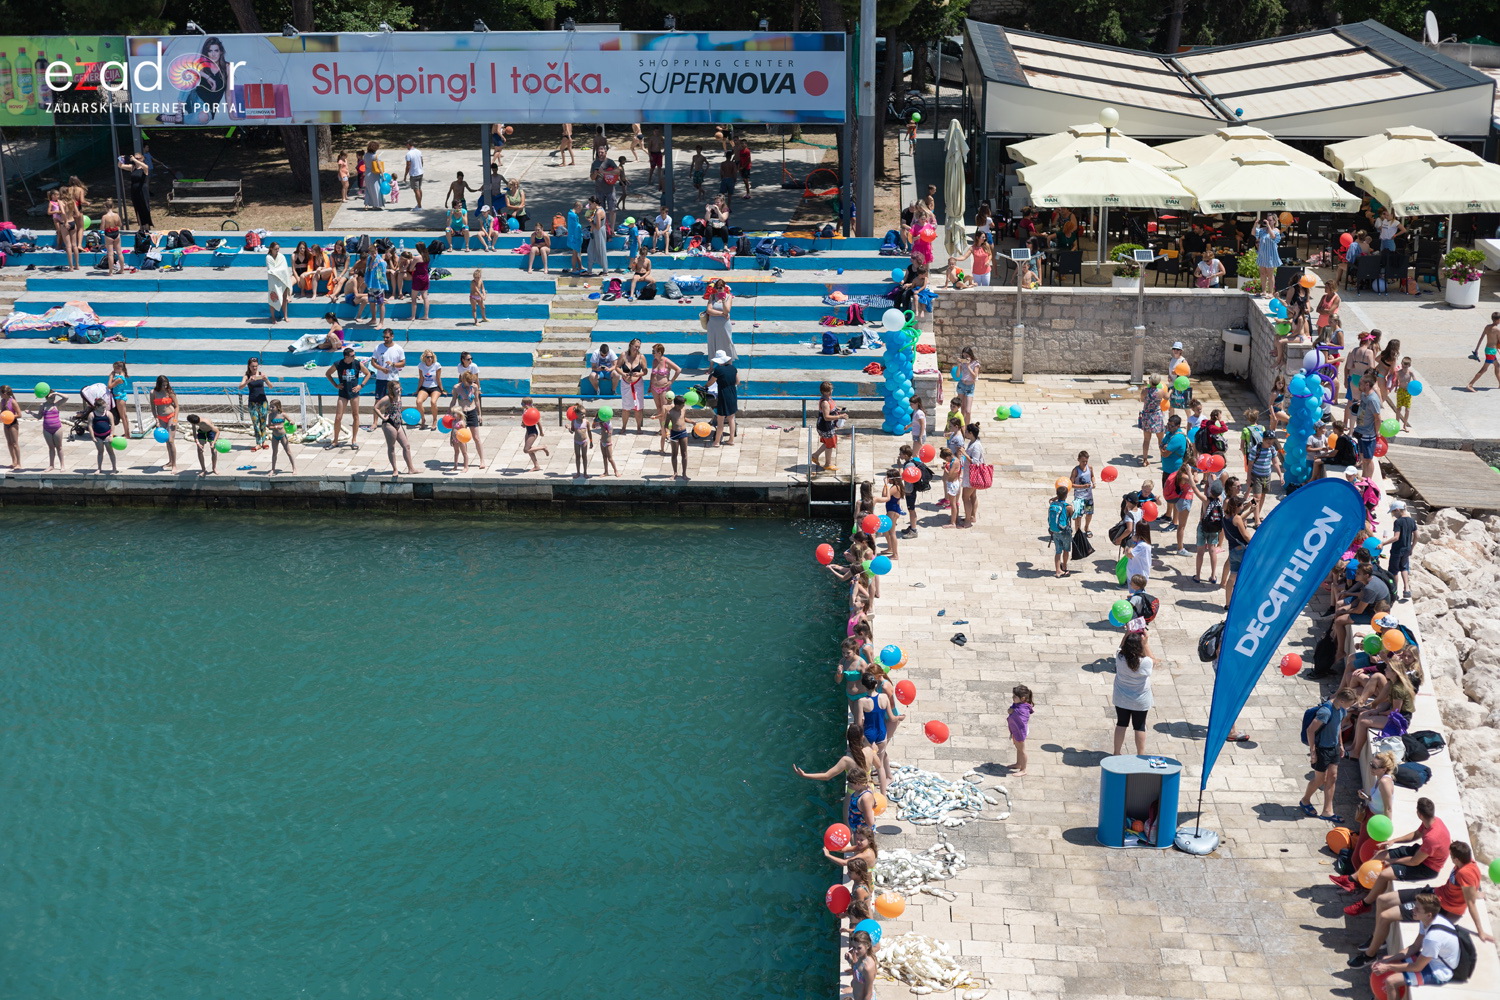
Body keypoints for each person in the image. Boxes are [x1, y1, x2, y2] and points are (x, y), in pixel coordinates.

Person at [1351, 840, 1493, 970]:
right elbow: (1468, 888)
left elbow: (1470, 903)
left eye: (1451, 856)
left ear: (1456, 859)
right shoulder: (1468, 862)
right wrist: (1475, 893)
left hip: (1440, 906)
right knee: (1383, 900)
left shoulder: (1464, 873)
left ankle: (1370, 955)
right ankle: (1378, 938)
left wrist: (1480, 931)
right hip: (1434, 892)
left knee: (1385, 916)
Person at [1342, 793, 1447, 915]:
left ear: (1419, 814)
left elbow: (1414, 861)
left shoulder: (1432, 838)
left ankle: (1365, 904)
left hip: (1427, 867)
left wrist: (1391, 862)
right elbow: (1417, 834)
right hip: (1422, 853)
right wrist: (1394, 841)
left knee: (1385, 874)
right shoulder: (1433, 821)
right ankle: (1352, 880)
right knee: (1381, 854)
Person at [1366, 893, 1462, 996]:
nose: (1413, 910)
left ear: (1428, 914)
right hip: (1432, 959)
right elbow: (1415, 946)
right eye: (1415, 906)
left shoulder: (1433, 938)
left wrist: (1388, 967)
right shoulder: (1427, 920)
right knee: (1385, 959)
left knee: (1391, 981)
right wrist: (1387, 961)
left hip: (1439, 970)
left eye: (1417, 909)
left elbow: (1417, 967)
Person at [1299, 687, 1357, 821]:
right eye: (1349, 704)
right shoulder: (1325, 712)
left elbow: (1338, 727)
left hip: (1334, 747)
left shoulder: (1342, 709)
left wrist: (1340, 745)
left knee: (1333, 777)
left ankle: (1327, 811)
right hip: (1322, 749)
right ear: (1342, 701)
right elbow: (1310, 731)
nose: (1350, 707)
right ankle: (1305, 800)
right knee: (1320, 779)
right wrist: (1313, 752)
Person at [1112, 625, 1155, 755]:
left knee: (1121, 724)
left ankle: (1116, 752)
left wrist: (1127, 633)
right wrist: (1146, 643)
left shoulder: (1120, 657)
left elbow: (1120, 647)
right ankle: (1140, 755)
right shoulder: (1145, 662)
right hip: (1140, 700)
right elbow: (1153, 660)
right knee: (1140, 726)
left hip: (1121, 698)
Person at [326, 347, 369, 448]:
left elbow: (367, 374)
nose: (354, 357)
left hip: (354, 393)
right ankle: (335, 440)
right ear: (346, 356)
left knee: (355, 415)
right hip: (343, 393)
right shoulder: (338, 364)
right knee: (338, 417)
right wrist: (335, 385)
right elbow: (328, 374)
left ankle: (354, 440)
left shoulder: (357, 363)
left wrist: (361, 385)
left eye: (354, 355)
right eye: (352, 355)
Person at [649, 344, 682, 451]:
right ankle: (662, 428)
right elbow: (652, 374)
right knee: (659, 408)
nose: (652, 353)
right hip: (654, 388)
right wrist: (650, 385)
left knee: (665, 410)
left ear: (659, 352)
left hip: (664, 388)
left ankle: (667, 428)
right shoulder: (654, 361)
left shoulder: (666, 361)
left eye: (654, 352)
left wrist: (671, 381)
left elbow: (678, 370)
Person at [1383, 500, 1416, 601]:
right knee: (1404, 568)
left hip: (1397, 550)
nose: (1393, 515)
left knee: (1394, 571)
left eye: (1393, 512)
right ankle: (1406, 589)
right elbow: (1417, 536)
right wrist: (1412, 547)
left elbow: (1396, 537)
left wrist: (1383, 543)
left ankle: (1394, 592)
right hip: (1407, 549)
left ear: (1397, 510)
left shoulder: (1398, 522)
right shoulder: (1412, 521)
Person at [1194, 480, 1225, 585]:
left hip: (1203, 527)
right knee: (1212, 551)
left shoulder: (1205, 500)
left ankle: (1198, 576)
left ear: (1210, 491)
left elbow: (1194, 488)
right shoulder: (1220, 500)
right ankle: (1213, 575)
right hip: (1214, 528)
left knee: (1200, 552)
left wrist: (1189, 473)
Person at [706, 349, 738, 446]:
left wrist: (704, 386)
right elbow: (737, 381)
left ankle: (716, 442)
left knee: (720, 419)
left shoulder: (718, 370)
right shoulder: (733, 368)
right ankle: (731, 440)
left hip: (723, 395)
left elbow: (711, 382)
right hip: (733, 394)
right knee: (731, 418)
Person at [239, 359, 273, 450]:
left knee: (263, 422)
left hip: (263, 401)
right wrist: (248, 381)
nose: (254, 368)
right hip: (252, 402)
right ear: (249, 366)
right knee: (255, 422)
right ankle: (258, 442)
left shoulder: (261, 374)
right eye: (252, 366)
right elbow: (240, 387)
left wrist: (266, 379)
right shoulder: (247, 376)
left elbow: (271, 386)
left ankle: (264, 441)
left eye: (256, 366)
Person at [1463, 312, 1500, 391]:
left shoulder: (1487, 327)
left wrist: (1476, 350)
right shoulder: (1497, 330)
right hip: (1492, 352)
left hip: (1487, 349)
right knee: (1484, 369)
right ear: (1498, 320)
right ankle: (1470, 385)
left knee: (1497, 366)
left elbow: (1481, 338)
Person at [148, 376, 177, 472]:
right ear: (158, 384)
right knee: (166, 441)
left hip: (171, 416)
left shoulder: (169, 392)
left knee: (171, 441)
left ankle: (174, 465)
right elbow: (153, 407)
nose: (165, 386)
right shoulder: (153, 393)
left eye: (166, 384)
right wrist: (156, 419)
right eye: (163, 384)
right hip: (161, 418)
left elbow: (177, 406)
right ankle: (170, 461)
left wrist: (175, 419)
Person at [704, 278, 736, 362]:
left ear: (724, 287)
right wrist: (721, 314)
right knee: (712, 343)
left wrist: (724, 301)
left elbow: (727, 310)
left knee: (726, 342)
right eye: (717, 287)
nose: (719, 289)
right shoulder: (712, 296)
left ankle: (729, 363)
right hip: (713, 324)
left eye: (720, 287)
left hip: (724, 324)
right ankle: (711, 364)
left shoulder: (728, 297)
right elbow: (709, 310)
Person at [1046, 485, 1075, 577]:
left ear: (1057, 494)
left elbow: (1051, 500)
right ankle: (1064, 567)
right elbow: (1073, 517)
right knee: (1066, 550)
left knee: (1058, 551)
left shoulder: (1052, 504)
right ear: (1066, 495)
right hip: (1065, 531)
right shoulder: (1068, 507)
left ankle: (1058, 570)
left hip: (1055, 531)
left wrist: (1057, 497)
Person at [1252, 214, 1282, 297]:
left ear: (1274, 221)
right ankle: (1263, 291)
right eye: (1267, 220)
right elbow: (1253, 233)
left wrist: (1268, 226)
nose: (1268, 222)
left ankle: (1271, 292)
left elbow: (1273, 236)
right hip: (1262, 254)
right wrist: (1255, 224)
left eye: (1270, 220)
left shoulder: (1276, 230)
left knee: (1270, 274)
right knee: (1262, 273)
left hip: (1270, 255)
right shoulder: (1262, 230)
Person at [1138, 374, 1165, 466]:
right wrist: (1171, 390)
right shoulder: (1161, 391)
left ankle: (1145, 460)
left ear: (1150, 381)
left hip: (1147, 416)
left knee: (1146, 440)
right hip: (1157, 416)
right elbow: (1167, 397)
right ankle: (1163, 457)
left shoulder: (1145, 391)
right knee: (1160, 439)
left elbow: (1142, 399)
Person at [120, 151, 152, 228]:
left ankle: (147, 226)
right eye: (135, 158)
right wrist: (121, 159)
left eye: (138, 158)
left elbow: (146, 167)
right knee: (138, 207)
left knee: (145, 207)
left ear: (142, 159)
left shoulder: (144, 167)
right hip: (134, 189)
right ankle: (141, 226)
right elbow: (120, 166)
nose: (136, 159)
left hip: (142, 189)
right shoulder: (132, 167)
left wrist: (134, 159)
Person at [87, 394, 117, 473]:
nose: (104, 409)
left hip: (107, 435)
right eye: (102, 408)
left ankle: (114, 468)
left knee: (110, 452)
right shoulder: (92, 414)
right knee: (100, 452)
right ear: (97, 407)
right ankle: (99, 468)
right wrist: (92, 437)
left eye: (105, 407)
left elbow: (112, 425)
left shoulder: (108, 413)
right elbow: (90, 426)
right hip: (98, 436)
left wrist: (111, 435)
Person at [1068, 451, 1096, 536]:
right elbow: (1071, 484)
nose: (1085, 463)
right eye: (1083, 461)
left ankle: (1086, 527)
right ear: (1078, 460)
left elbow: (1092, 476)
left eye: (1086, 461)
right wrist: (1083, 486)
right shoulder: (1075, 471)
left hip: (1088, 496)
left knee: (1089, 513)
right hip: (1079, 497)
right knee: (1078, 516)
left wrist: (1094, 482)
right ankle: (1078, 532)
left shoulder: (1090, 468)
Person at [265, 242, 293, 323]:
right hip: (273, 281)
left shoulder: (281, 256)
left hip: (282, 280)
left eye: (278, 249)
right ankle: (273, 317)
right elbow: (271, 270)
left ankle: (285, 316)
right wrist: (280, 271)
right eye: (275, 249)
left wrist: (280, 271)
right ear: (271, 249)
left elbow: (285, 269)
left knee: (284, 298)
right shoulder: (268, 258)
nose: (277, 250)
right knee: (273, 298)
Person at [520, 397, 550, 471]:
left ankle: (543, 447)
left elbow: (538, 422)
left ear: (526, 404)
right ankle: (536, 466)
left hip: (533, 433)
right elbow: (525, 421)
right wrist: (523, 424)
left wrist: (541, 432)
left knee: (526, 450)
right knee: (529, 449)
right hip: (528, 431)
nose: (521, 405)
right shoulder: (525, 411)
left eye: (522, 403)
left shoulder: (533, 411)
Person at [847, 930, 877, 1000]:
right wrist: (850, 961)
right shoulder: (861, 957)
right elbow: (857, 967)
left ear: (868, 946)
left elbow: (869, 993)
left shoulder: (868, 968)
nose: (855, 951)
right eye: (854, 947)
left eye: (859, 948)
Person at [666, 394, 691, 480]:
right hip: (674, 434)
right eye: (682, 405)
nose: (683, 406)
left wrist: (692, 422)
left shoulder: (683, 409)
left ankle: (684, 473)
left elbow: (684, 418)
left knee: (684, 453)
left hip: (683, 432)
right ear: (677, 405)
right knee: (674, 454)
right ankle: (675, 472)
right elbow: (666, 424)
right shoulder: (670, 413)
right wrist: (666, 433)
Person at [267, 399, 295, 473]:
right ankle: (273, 469)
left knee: (288, 452)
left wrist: (291, 422)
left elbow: (292, 421)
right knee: (274, 453)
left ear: (278, 407)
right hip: (275, 436)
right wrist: (275, 427)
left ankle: (294, 468)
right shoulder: (270, 415)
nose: (271, 408)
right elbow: (269, 426)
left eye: (273, 407)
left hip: (283, 436)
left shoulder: (283, 414)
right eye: (270, 407)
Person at [99, 200, 124, 276]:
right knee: (119, 253)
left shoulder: (105, 217)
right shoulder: (117, 215)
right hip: (116, 232)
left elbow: (102, 228)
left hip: (109, 234)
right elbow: (120, 224)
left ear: (105, 207)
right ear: (113, 206)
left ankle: (110, 272)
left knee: (110, 254)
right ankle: (122, 269)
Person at [955, 347, 979, 422]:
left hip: (970, 387)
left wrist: (968, 366)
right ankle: (963, 426)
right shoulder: (963, 363)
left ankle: (967, 427)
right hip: (961, 385)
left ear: (970, 355)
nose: (965, 358)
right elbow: (957, 375)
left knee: (968, 411)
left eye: (967, 356)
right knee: (962, 408)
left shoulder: (975, 363)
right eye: (964, 356)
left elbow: (975, 376)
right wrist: (959, 365)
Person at [1, 385, 22, 470]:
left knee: (15, 444)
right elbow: (2, 412)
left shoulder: (12, 402)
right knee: (9, 443)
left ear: (5, 393)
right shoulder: (2, 401)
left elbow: (19, 414)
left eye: (0, 393)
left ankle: (19, 463)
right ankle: (14, 461)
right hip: (6, 424)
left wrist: (11, 416)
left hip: (13, 423)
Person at [569, 403, 593, 478]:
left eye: (584, 414)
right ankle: (578, 472)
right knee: (577, 456)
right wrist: (568, 428)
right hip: (576, 441)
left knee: (584, 456)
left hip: (584, 441)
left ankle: (585, 472)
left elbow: (589, 432)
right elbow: (572, 431)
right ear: (577, 414)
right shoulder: (574, 421)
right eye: (582, 414)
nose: (583, 415)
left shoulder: (586, 422)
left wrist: (591, 441)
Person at [362, 142, 386, 210]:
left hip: (367, 173)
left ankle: (366, 204)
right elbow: (379, 167)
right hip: (374, 174)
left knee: (368, 190)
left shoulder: (365, 155)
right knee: (376, 190)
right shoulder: (375, 156)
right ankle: (375, 205)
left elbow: (365, 164)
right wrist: (383, 175)